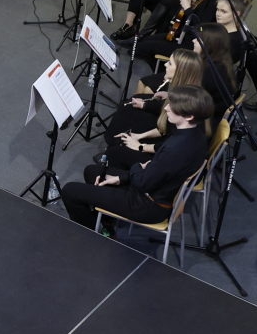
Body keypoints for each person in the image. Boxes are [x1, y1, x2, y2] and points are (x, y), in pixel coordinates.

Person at [60, 86, 215, 233]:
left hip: (146, 205)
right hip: (152, 191)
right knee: (92, 172)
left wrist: (136, 167)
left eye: (172, 106)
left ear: (189, 116)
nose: (166, 108)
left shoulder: (175, 149)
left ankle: (95, 234)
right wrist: (121, 177)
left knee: (69, 191)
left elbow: (143, 182)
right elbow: (153, 172)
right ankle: (106, 222)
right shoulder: (196, 135)